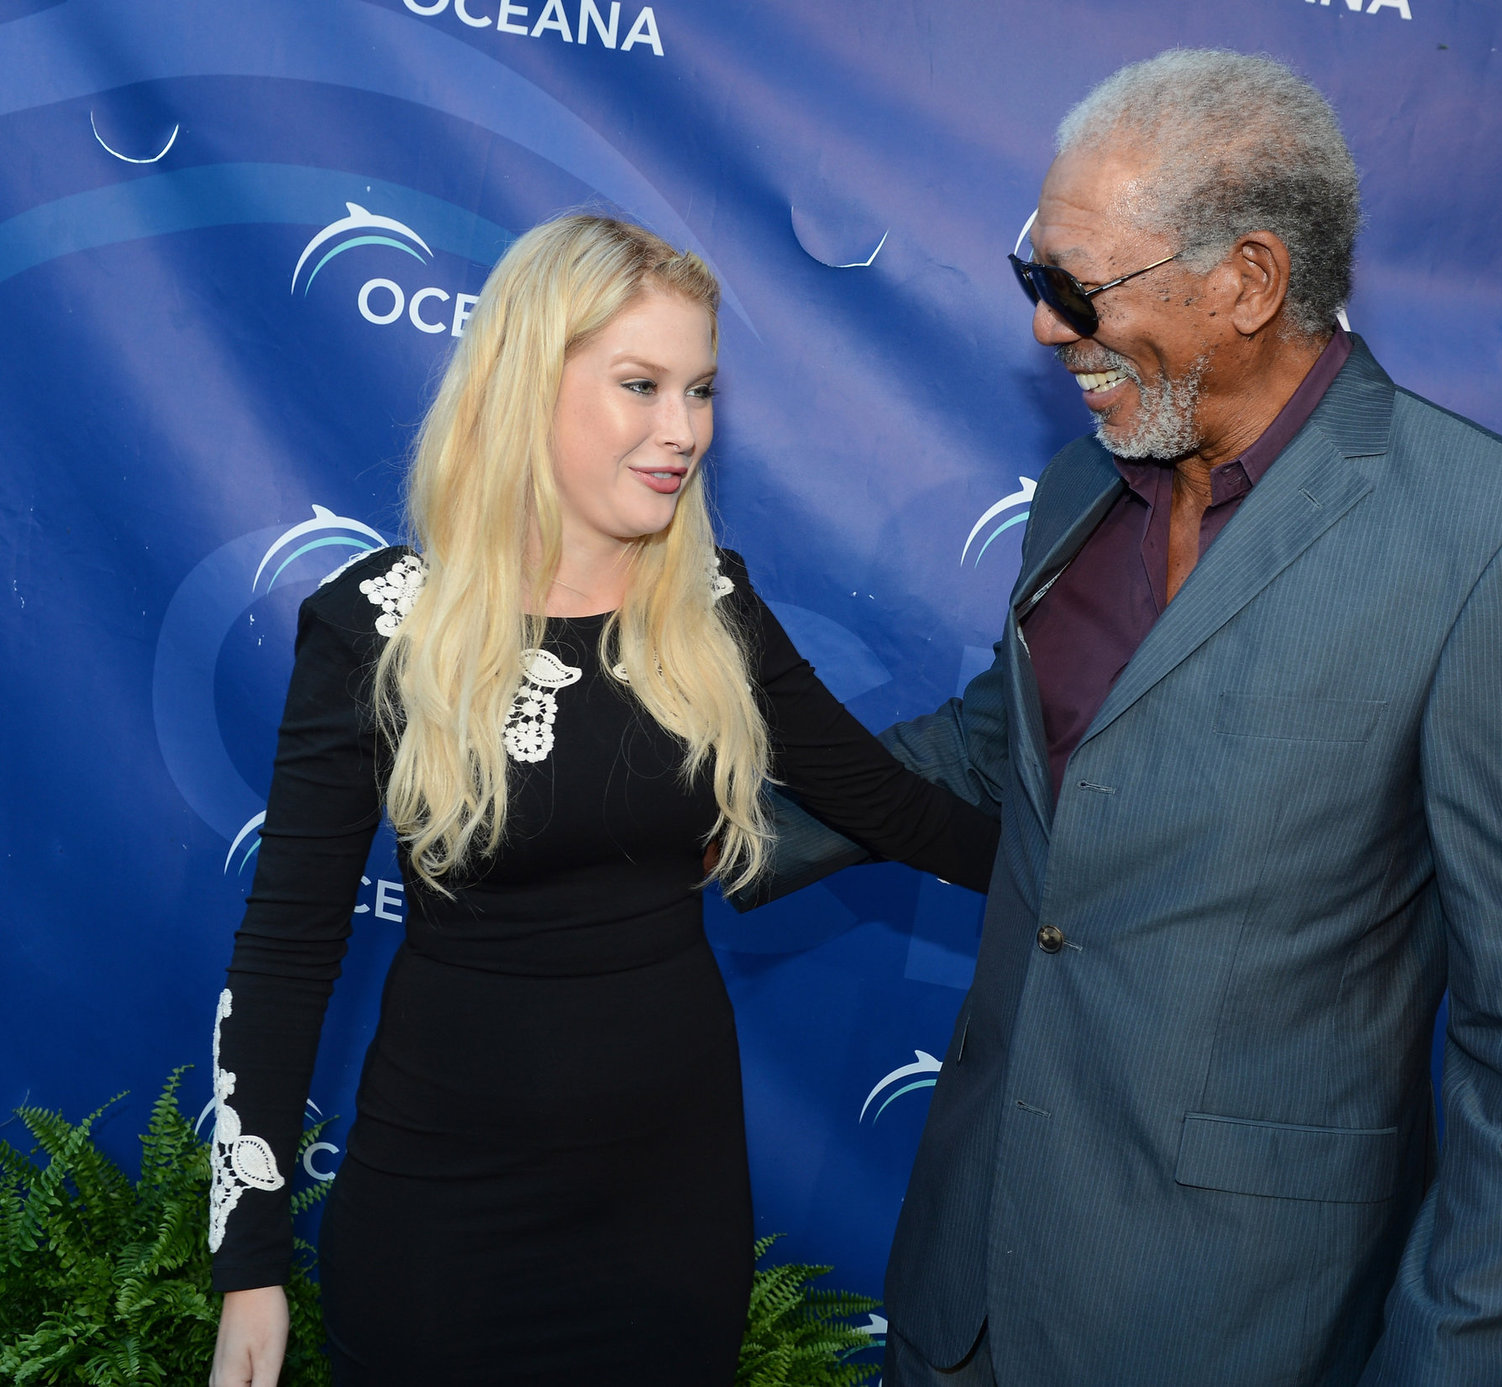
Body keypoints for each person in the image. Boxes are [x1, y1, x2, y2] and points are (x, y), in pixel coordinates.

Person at [750, 49, 1502, 1387]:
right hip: (965, 1281)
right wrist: (692, 824)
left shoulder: (1491, 541)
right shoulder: (1083, 488)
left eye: (1077, 287)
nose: (1047, 330)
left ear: (1249, 281)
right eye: (1033, 277)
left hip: (1234, 1319)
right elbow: (999, 753)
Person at [205, 214, 999, 1387]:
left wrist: (1105, 887)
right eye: (641, 385)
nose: (683, 430)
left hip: (669, 1211)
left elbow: (892, 806)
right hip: (444, 1216)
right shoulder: (381, 625)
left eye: (701, 390)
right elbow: (284, 954)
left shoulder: (711, 609)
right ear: (529, 382)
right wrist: (250, 1262)